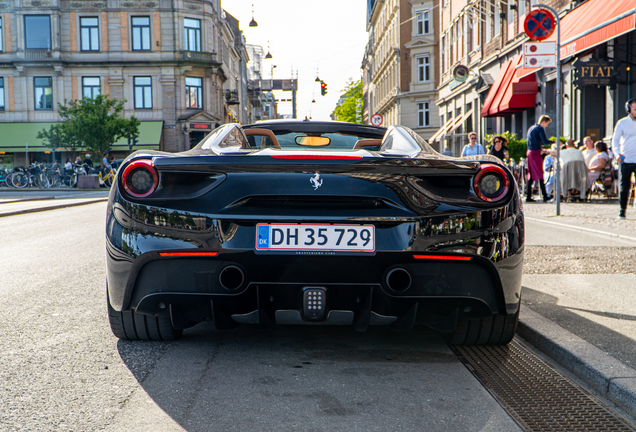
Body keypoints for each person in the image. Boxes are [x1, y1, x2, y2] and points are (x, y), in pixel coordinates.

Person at [612, 98, 636, 219]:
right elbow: (615, 141)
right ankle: (622, 210)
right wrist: (617, 154)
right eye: (635, 109)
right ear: (629, 110)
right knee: (624, 187)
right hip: (626, 159)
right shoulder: (622, 123)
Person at [525, 115, 553, 202]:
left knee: (532, 174)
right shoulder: (540, 129)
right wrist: (555, 142)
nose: (547, 126)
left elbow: (532, 141)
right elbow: (545, 141)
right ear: (543, 122)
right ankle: (544, 195)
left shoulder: (531, 128)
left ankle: (528, 195)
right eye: (547, 124)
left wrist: (540, 149)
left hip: (530, 152)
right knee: (539, 173)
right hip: (535, 153)